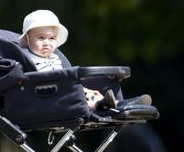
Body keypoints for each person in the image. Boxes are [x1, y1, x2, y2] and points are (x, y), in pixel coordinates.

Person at [19, 10, 152, 110]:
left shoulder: (55, 58)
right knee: (82, 98)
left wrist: (84, 89)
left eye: (52, 38)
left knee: (93, 94)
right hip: (52, 100)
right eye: (41, 38)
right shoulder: (29, 60)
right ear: (27, 39)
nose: (47, 43)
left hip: (68, 93)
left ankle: (122, 104)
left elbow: (68, 80)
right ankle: (100, 105)